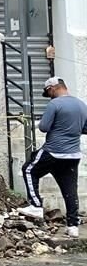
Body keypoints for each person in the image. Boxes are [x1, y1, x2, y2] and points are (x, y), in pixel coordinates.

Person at [18, 77, 87, 237]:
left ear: (53, 88)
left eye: (48, 92)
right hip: (73, 154)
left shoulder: (54, 104)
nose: (49, 96)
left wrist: (38, 124)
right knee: (70, 189)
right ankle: (73, 226)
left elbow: (44, 127)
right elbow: (85, 128)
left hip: (53, 151)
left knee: (28, 170)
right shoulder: (82, 105)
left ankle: (35, 205)